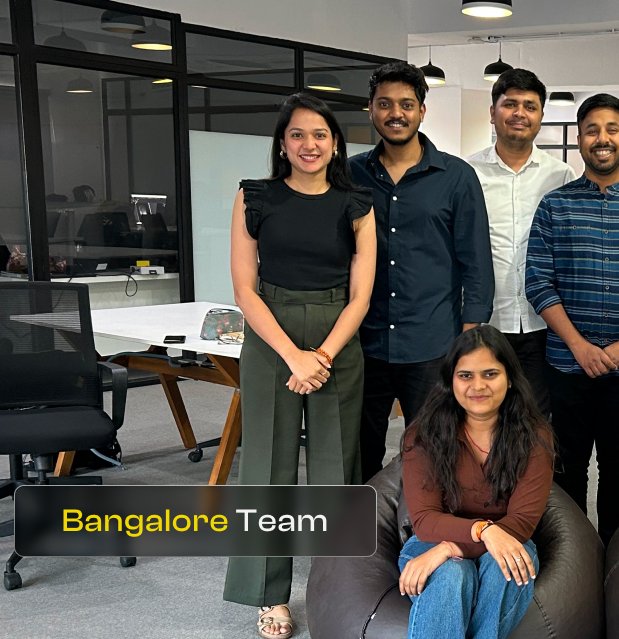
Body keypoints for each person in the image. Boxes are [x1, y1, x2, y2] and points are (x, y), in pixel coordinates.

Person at [226, 92, 377, 638]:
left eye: (319, 135)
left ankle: (341, 591)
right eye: (297, 134)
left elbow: (361, 295)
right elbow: (244, 289)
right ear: (282, 144)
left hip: (338, 334)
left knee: (338, 469)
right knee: (267, 466)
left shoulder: (356, 203)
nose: (308, 144)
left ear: (334, 143)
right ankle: (270, 597)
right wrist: (293, 355)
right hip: (271, 333)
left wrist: (323, 355)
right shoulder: (254, 196)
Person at [525, 93, 619, 545]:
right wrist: (579, 345)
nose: (602, 138)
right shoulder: (555, 206)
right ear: (579, 139)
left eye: (612, 129)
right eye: (592, 130)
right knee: (568, 461)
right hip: (567, 361)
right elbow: (538, 281)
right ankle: (573, 552)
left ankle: (611, 550)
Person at [351, 62, 495, 480]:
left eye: (406, 104)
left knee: (432, 452)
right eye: (385, 104)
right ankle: (357, 522)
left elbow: (476, 263)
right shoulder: (351, 174)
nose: (396, 113)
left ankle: (424, 523)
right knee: (357, 450)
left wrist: (467, 341)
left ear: (421, 111)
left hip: (432, 344)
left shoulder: (457, 177)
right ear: (371, 109)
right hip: (363, 340)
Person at [399, 325, 555, 639]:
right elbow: (425, 521)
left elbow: (522, 522)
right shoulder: (424, 434)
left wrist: (453, 547)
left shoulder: (535, 436)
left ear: (510, 379)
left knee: (505, 566)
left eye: (490, 374)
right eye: (466, 375)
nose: (478, 386)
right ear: (450, 381)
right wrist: (483, 531)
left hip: (509, 538)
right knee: (452, 574)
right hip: (432, 542)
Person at [467, 69, 577, 418]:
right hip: (486, 321)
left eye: (530, 106)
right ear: (492, 112)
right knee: (483, 415)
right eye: (510, 104)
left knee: (535, 418)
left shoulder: (561, 176)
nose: (520, 113)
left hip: (542, 322)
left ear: (541, 116)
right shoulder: (467, 174)